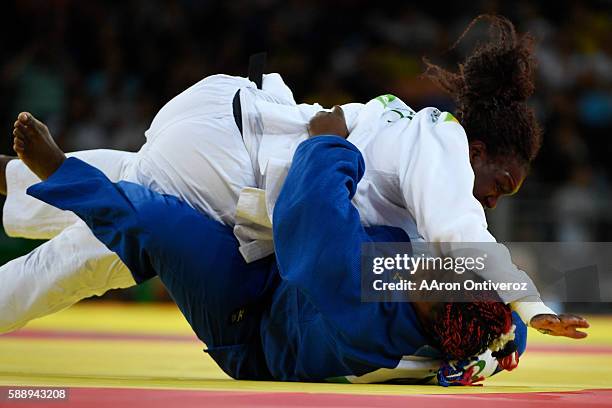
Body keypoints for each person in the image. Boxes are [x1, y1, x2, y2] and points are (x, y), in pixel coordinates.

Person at [0, 15, 579, 336]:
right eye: (499, 184)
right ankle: (41, 184)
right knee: (96, 255)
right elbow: (462, 237)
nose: (493, 202)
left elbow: (426, 260)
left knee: (128, 180)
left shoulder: (406, 125)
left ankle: (18, 180)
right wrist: (534, 308)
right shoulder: (444, 142)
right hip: (234, 164)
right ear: (479, 148)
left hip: (224, 125)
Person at [19, 121, 538, 385]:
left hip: (248, 327)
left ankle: (58, 174)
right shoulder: (460, 333)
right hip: (281, 288)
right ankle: (18, 180)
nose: (435, 263)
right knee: (156, 177)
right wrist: (520, 319)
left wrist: (331, 144)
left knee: (157, 220)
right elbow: (494, 333)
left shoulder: (367, 303)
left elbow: (309, 210)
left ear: (431, 309)